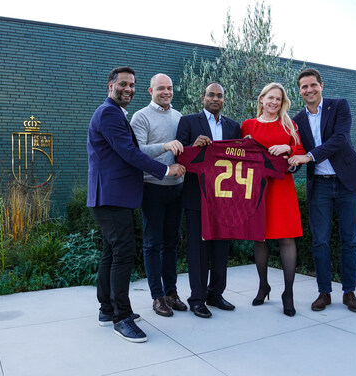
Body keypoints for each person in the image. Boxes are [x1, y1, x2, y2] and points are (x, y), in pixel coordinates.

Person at [87, 66, 185, 343]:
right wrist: (165, 170)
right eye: (123, 84)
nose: (128, 89)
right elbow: (129, 152)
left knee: (111, 253)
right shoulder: (109, 113)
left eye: (131, 85)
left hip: (113, 196)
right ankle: (121, 318)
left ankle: (107, 310)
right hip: (110, 196)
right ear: (110, 86)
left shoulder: (115, 113)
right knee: (123, 253)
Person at [288, 68, 356, 313]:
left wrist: (309, 156)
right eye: (304, 86)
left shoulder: (339, 106)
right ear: (299, 91)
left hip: (347, 182)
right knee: (320, 241)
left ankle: (349, 292)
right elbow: (296, 152)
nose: (309, 90)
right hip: (320, 186)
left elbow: (340, 139)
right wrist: (290, 162)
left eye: (313, 85)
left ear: (321, 86)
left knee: (350, 240)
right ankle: (324, 292)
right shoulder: (296, 121)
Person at [176, 82, 241, 318]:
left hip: (224, 199)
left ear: (224, 99)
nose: (215, 99)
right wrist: (193, 146)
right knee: (198, 250)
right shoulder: (188, 122)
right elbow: (179, 156)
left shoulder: (234, 126)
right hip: (197, 196)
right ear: (202, 97)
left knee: (221, 249)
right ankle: (197, 298)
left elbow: (240, 160)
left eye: (219, 96)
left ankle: (216, 294)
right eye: (211, 95)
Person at [241, 82, 305, 317]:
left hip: (281, 188)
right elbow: (238, 155)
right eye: (270, 97)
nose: (274, 102)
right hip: (256, 188)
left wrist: (287, 148)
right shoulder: (247, 125)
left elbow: (301, 152)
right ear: (261, 99)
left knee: (287, 239)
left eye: (278, 99)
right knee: (260, 238)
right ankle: (263, 286)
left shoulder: (289, 124)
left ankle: (288, 293)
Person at [130, 74, 188, 317]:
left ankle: (171, 293)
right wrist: (165, 146)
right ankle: (157, 297)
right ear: (150, 91)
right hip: (152, 187)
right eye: (161, 88)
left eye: (170, 88)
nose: (166, 92)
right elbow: (137, 151)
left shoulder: (179, 117)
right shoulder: (140, 117)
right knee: (152, 243)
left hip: (177, 187)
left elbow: (186, 149)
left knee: (171, 243)